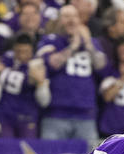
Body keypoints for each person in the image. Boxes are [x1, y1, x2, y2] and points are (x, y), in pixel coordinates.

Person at [35, 4, 104, 142]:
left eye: (74, 16)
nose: (71, 21)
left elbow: (101, 65)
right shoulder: (50, 40)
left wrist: (89, 44)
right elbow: (52, 63)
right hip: (56, 114)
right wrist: (73, 46)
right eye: (66, 16)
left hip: (85, 114)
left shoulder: (91, 42)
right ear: (59, 20)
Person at [0, 33, 48, 138]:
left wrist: (41, 83)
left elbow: (44, 101)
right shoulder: (6, 59)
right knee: (6, 152)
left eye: (26, 52)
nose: (22, 55)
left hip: (27, 117)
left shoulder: (37, 65)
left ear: (32, 51)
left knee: (26, 152)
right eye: (18, 51)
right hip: (6, 116)